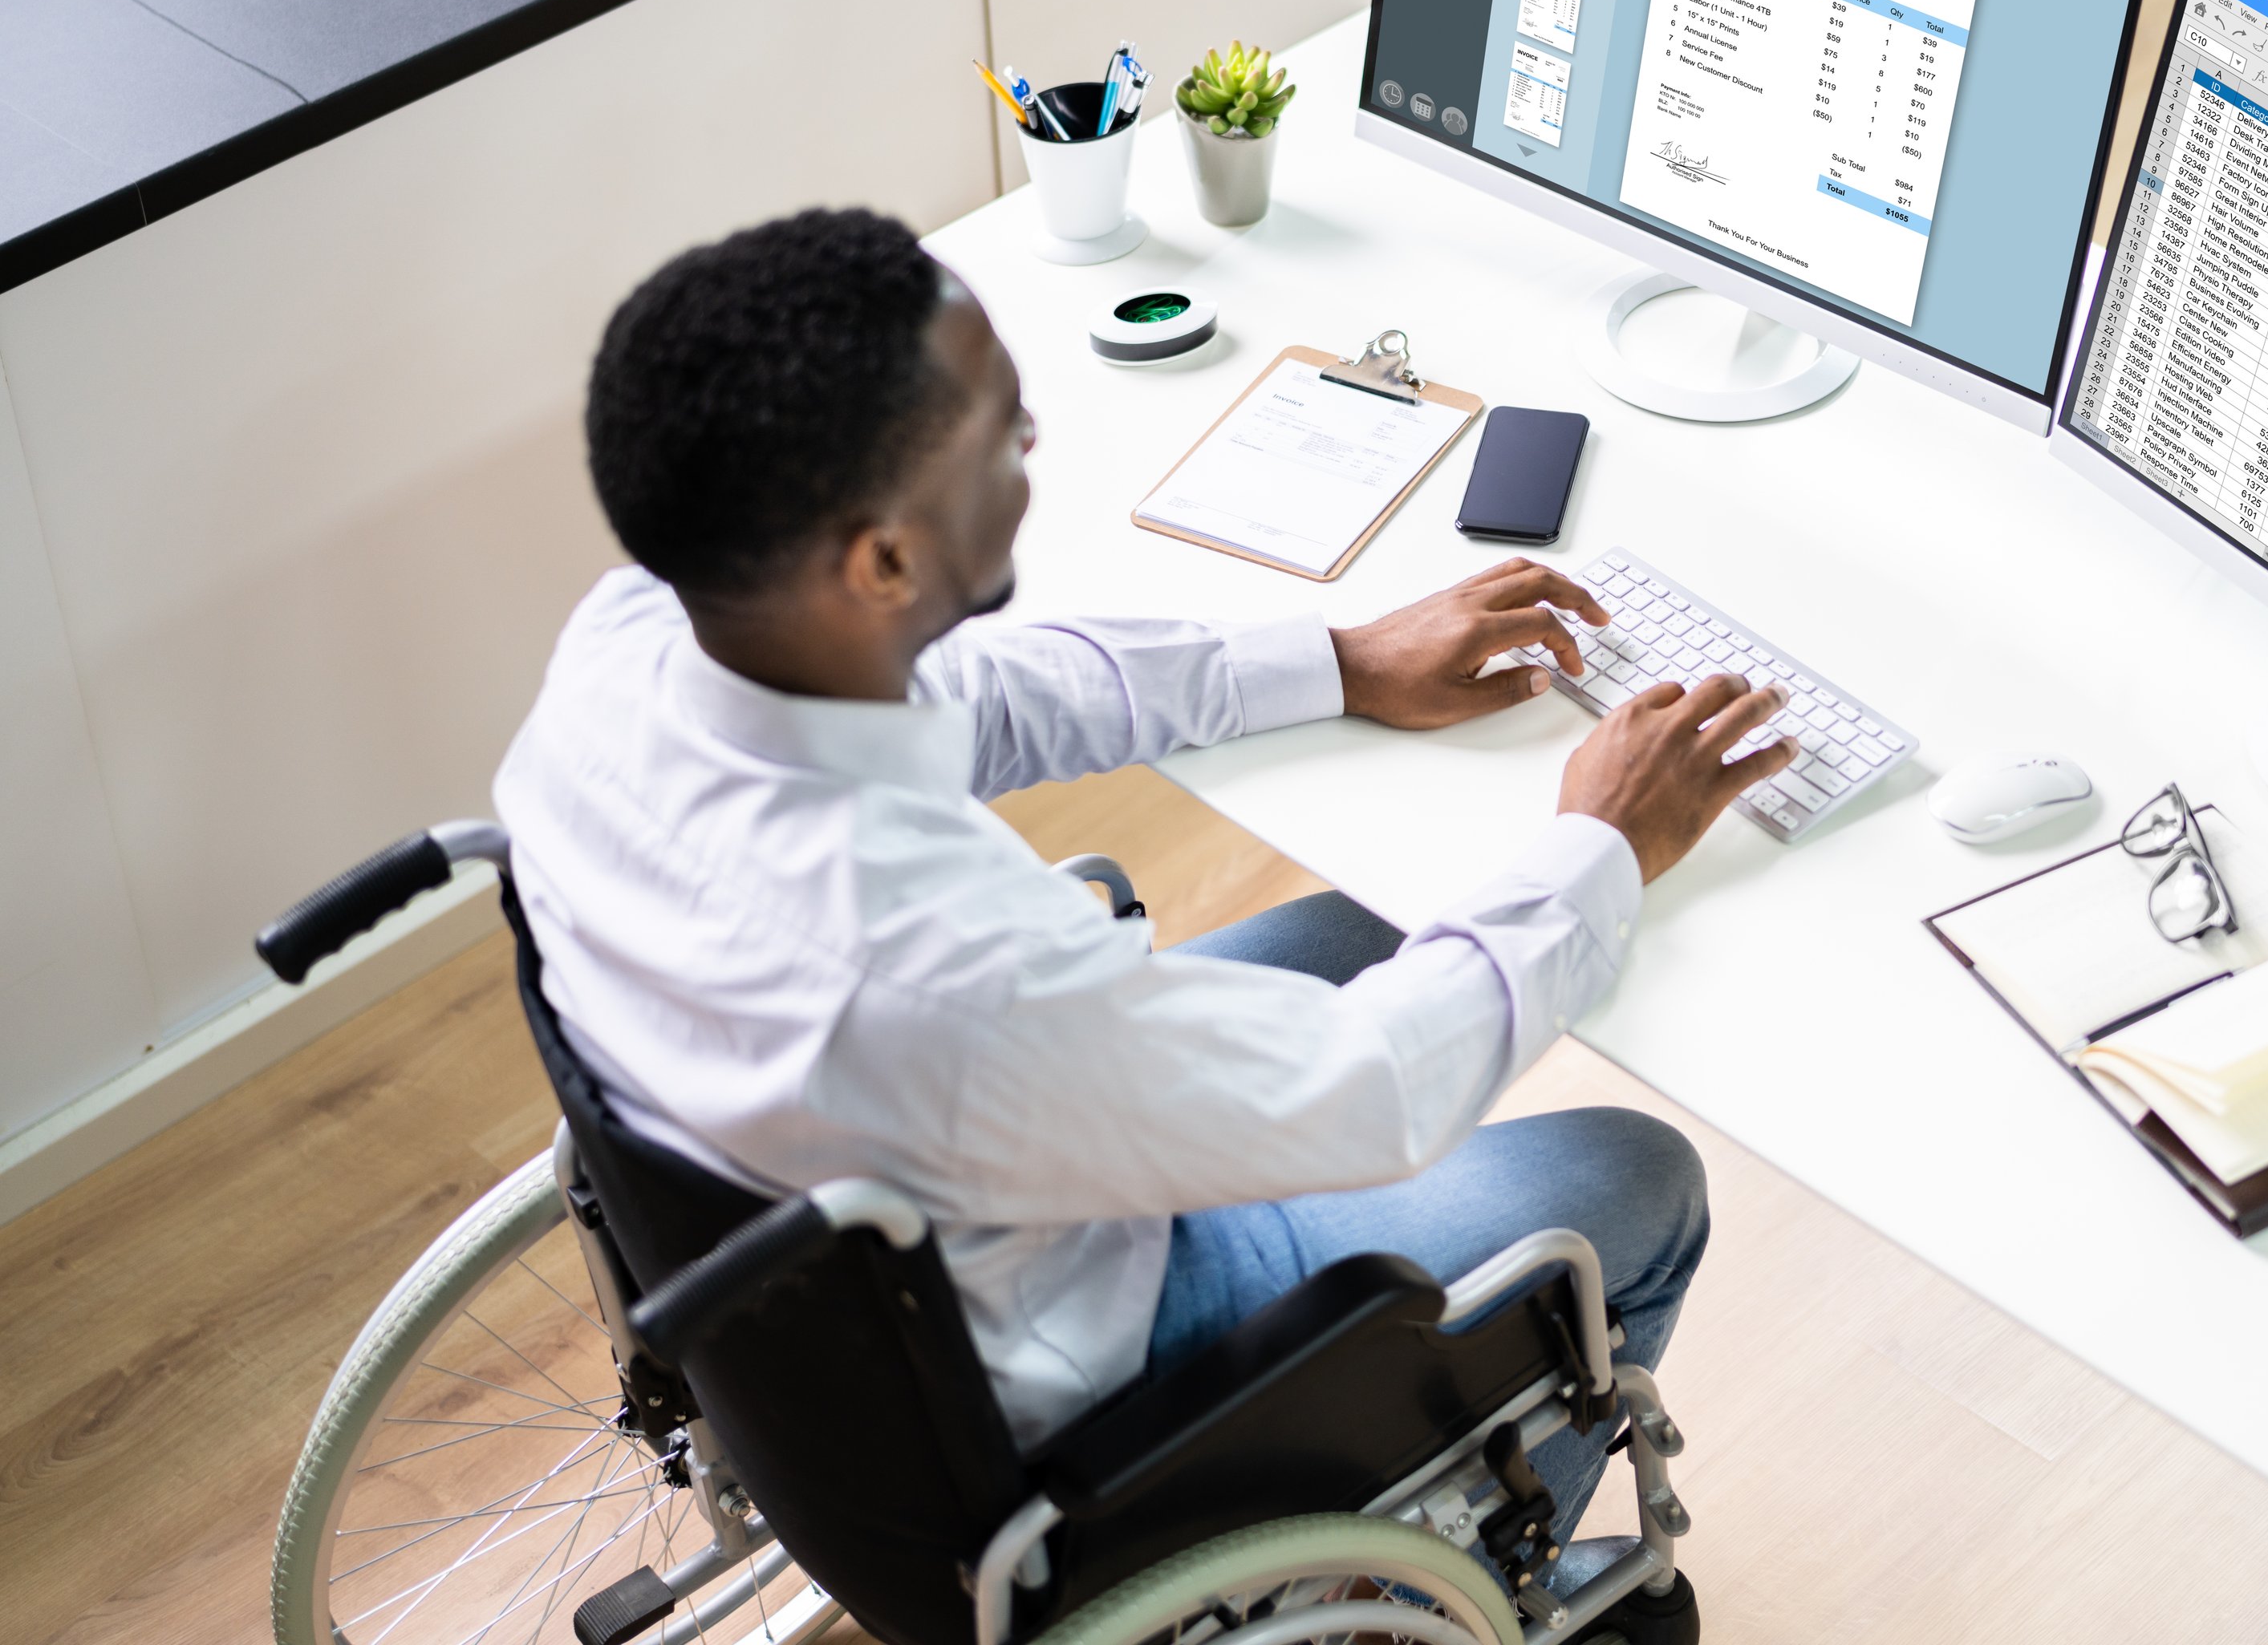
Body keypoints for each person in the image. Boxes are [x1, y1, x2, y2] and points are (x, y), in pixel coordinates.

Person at [493, 207, 1796, 1565]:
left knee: (1404, 905)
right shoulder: (924, 959)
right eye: (1000, 426)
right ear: (881, 560)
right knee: (1637, 1176)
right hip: (1089, 1338)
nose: (1032, 441)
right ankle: (1485, 1572)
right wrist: (1605, 838)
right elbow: (1369, 1090)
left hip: (900, 1202)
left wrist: (1339, 658)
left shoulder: (635, 641)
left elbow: (975, 692)